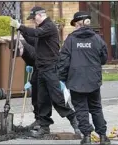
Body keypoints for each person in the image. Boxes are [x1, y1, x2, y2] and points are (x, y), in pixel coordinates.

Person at [10, 6, 80, 137]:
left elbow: (36, 34)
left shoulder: (49, 26)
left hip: (51, 68)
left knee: (57, 99)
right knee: (42, 100)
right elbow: (34, 40)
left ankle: (76, 122)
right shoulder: (41, 29)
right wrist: (22, 32)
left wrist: (20, 26)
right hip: (41, 68)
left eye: (33, 18)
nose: (33, 21)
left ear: (40, 15)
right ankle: (44, 126)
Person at [58, 11, 110, 145]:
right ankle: (103, 136)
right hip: (93, 80)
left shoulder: (70, 40)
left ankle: (86, 137)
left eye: (75, 24)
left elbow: (64, 61)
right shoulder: (97, 39)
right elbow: (104, 58)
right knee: (96, 108)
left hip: (76, 80)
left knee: (81, 109)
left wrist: (61, 78)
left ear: (77, 24)